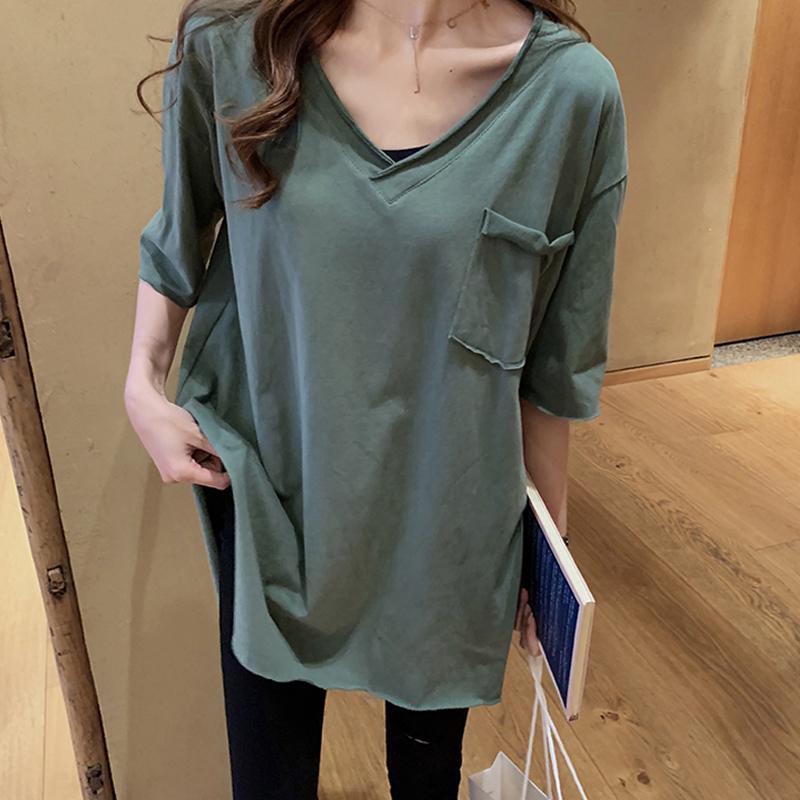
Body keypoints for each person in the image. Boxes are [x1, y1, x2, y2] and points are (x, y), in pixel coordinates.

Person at [124, 0, 628, 797]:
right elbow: (181, 231)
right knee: (269, 778)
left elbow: (557, 360)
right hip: (273, 488)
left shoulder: (569, 95)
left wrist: (547, 548)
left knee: (427, 776)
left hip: (445, 512)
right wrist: (141, 382)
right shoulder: (235, 42)